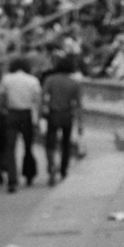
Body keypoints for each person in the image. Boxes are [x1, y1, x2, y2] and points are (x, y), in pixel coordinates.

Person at [40, 54, 83, 184]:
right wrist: (80, 123)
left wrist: (40, 115)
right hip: (67, 114)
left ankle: (51, 166)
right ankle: (63, 169)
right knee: (65, 143)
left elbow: (43, 98)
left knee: (50, 143)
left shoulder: (50, 80)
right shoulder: (74, 83)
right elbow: (79, 105)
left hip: (53, 114)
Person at [1, 56, 41, 191]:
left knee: (10, 148)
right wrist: (37, 120)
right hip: (26, 115)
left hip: (11, 114)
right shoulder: (32, 80)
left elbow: (3, 98)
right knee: (28, 146)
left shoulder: (6, 79)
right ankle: (29, 173)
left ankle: (12, 179)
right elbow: (37, 101)